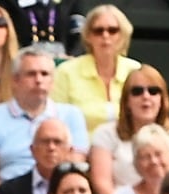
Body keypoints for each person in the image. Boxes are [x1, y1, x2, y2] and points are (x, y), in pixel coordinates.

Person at [0, 46, 89, 194]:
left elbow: (74, 170)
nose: (39, 80)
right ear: (15, 80)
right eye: (31, 74)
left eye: (44, 74)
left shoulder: (72, 115)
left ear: (53, 82)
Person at [88, 65, 169, 194]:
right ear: (126, 101)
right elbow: (102, 185)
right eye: (137, 91)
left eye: (153, 91)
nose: (146, 96)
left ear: (162, 99)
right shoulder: (105, 134)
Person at [50, 4, 140, 134]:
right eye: (98, 30)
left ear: (122, 35)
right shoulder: (66, 72)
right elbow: (55, 121)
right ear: (88, 36)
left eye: (112, 30)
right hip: (81, 150)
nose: (105, 35)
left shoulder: (135, 71)